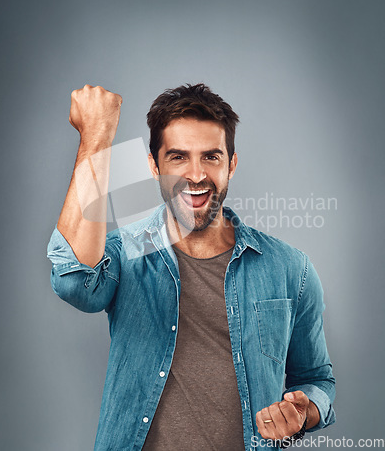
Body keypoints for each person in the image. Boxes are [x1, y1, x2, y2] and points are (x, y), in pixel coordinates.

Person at [47, 83, 336, 450]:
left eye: (211, 157)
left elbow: (317, 380)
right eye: (178, 157)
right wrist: (96, 136)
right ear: (154, 165)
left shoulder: (290, 269)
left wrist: (304, 410)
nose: (196, 176)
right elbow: (73, 282)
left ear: (231, 164)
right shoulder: (124, 251)